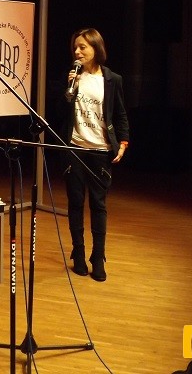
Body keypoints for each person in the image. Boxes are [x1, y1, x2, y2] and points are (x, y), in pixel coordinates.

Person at [60, 28, 129, 282]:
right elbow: (61, 111)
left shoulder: (112, 79)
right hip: (75, 148)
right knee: (75, 203)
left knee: (98, 205)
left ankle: (98, 257)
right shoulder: (73, 77)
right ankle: (78, 252)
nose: (77, 52)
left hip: (100, 150)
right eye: (75, 47)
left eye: (83, 47)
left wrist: (123, 142)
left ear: (95, 48)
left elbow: (120, 114)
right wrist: (70, 89)